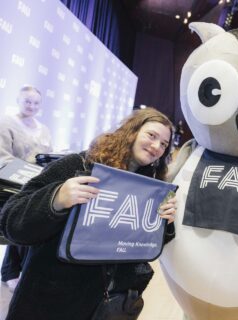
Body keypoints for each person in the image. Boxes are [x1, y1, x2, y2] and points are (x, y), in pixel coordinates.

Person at [0, 107, 177, 320]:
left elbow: (144, 246)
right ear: (131, 131)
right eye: (152, 135)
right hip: (49, 302)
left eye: (164, 144)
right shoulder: (78, 166)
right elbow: (11, 220)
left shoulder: (152, 189)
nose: (157, 146)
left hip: (106, 306)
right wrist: (56, 198)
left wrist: (164, 223)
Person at [0, 86, 52, 292]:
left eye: (36, 103)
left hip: (36, 186)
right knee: (18, 225)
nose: (32, 106)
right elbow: (3, 158)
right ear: (18, 101)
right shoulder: (5, 123)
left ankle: (16, 271)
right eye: (27, 101)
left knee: (30, 226)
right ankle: (10, 272)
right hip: (10, 186)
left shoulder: (44, 129)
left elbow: (48, 156)